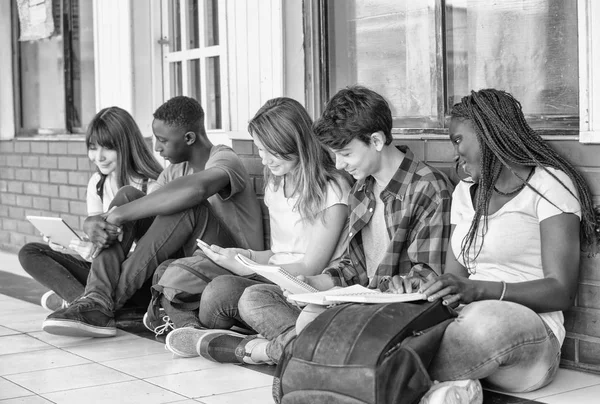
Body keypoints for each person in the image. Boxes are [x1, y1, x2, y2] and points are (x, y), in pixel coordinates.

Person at [164, 86, 454, 364]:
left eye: (346, 154)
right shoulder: (363, 188)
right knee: (256, 296)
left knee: (294, 314)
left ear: (376, 141)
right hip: (352, 300)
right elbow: (353, 266)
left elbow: (424, 279)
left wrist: (355, 292)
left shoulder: (427, 186)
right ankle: (310, 348)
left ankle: (260, 350)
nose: (339, 165)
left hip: (390, 310)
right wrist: (312, 286)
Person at [416, 89, 600, 403]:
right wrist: (428, 288)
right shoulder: (465, 193)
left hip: (530, 335)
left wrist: (481, 290)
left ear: (487, 136)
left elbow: (561, 291)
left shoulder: (549, 185)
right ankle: (453, 389)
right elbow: (455, 282)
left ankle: (399, 382)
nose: (455, 154)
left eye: (458, 140)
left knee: (486, 325)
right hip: (467, 325)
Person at [42, 96, 264, 338]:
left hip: (235, 263)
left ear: (189, 138)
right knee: (128, 195)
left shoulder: (225, 159)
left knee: (189, 206)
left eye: (162, 140)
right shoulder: (173, 171)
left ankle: (101, 304)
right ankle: (97, 296)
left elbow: (196, 191)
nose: (157, 148)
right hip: (191, 259)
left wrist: (117, 215)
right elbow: (143, 209)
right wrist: (99, 220)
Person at [154, 97, 352, 354]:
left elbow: (310, 266)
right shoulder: (277, 183)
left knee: (220, 293)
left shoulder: (332, 189)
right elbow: (278, 251)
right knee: (166, 270)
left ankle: (233, 340)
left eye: (272, 150)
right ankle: (198, 333)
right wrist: (243, 256)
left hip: (304, 288)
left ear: (296, 144)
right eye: (260, 149)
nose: (265, 159)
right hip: (272, 277)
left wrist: (249, 269)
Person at [18, 106, 163, 311]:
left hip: (138, 279)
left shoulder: (152, 186)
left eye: (107, 148)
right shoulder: (98, 183)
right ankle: (86, 304)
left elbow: (154, 253)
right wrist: (76, 247)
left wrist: (96, 254)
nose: (99, 156)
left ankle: (84, 302)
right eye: (93, 148)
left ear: (126, 146)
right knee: (31, 252)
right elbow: (100, 245)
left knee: (125, 198)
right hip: (105, 275)